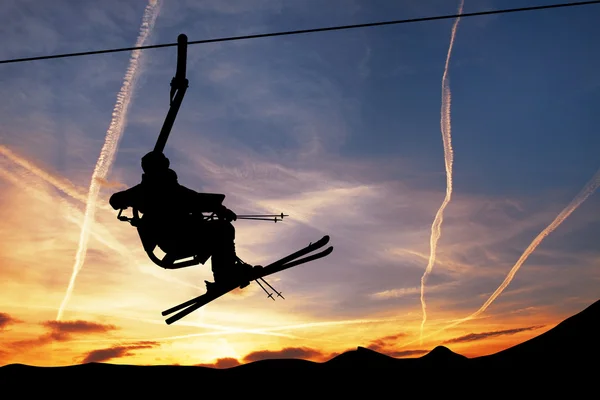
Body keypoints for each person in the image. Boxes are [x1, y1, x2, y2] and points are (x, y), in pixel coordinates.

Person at [109, 151, 254, 291]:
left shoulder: (143, 191)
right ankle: (224, 275)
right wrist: (221, 210)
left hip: (178, 239)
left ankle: (226, 272)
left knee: (220, 230)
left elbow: (115, 200)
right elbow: (196, 200)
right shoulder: (165, 189)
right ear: (163, 165)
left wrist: (129, 199)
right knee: (224, 229)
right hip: (180, 240)